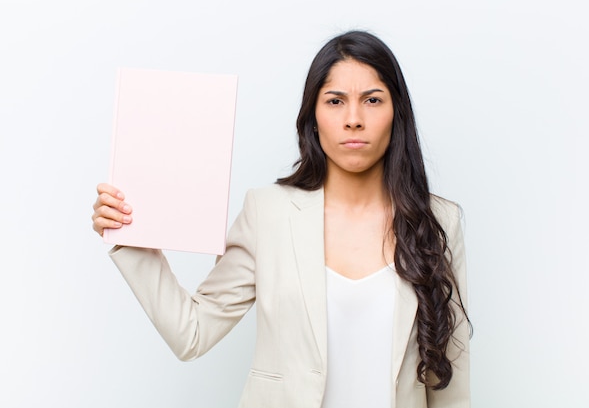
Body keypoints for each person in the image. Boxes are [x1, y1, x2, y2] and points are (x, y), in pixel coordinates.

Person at [92, 30, 471, 408]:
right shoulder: (267, 213)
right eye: (335, 101)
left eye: (372, 100)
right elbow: (192, 333)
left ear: (396, 113)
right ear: (313, 115)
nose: (353, 119)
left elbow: (449, 378)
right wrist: (130, 234)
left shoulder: (438, 221)